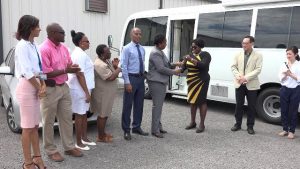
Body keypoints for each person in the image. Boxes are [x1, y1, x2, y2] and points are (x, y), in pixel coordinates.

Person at [40, 23, 83, 162]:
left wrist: (72, 67)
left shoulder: (64, 48)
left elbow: (68, 64)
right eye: (62, 32)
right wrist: (66, 70)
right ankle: (51, 150)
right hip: (50, 88)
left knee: (66, 119)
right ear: (52, 33)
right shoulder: (44, 49)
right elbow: (46, 73)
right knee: (49, 121)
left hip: (63, 87)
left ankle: (69, 147)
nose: (64, 35)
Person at [15, 15, 46, 169]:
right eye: (37, 26)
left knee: (34, 126)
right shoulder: (22, 45)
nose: (40, 28)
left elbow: (39, 69)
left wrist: (43, 84)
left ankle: (37, 158)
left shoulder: (35, 45)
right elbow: (27, 71)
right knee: (27, 127)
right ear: (30, 28)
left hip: (36, 85)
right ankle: (28, 163)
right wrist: (39, 87)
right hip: (28, 86)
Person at [147, 34, 181, 138]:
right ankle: (155, 130)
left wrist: (176, 63)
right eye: (165, 42)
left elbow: (166, 64)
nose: (166, 44)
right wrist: (175, 72)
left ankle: (158, 127)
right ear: (160, 43)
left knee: (159, 106)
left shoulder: (159, 52)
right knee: (157, 106)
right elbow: (161, 68)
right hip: (156, 82)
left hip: (160, 82)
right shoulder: (155, 53)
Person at [68, 30, 96, 150]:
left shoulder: (81, 53)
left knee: (84, 114)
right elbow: (80, 74)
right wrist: (86, 92)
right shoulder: (79, 54)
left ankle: (84, 138)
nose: (89, 43)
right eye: (87, 41)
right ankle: (78, 142)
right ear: (80, 42)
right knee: (79, 115)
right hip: (80, 89)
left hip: (84, 89)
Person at [230, 35, 263, 135]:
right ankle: (237, 124)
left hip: (251, 84)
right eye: (243, 43)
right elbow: (233, 67)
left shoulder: (258, 55)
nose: (243, 45)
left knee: (251, 107)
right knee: (238, 105)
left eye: (246, 43)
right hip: (239, 83)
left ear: (252, 44)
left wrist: (246, 77)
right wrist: (239, 77)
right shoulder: (238, 54)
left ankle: (250, 126)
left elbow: (258, 69)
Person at [121, 27, 149, 140]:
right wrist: (127, 82)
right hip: (131, 79)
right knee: (127, 105)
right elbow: (124, 66)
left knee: (139, 105)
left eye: (140, 34)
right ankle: (126, 130)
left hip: (140, 78)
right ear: (131, 35)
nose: (138, 36)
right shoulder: (127, 48)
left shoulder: (142, 49)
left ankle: (137, 127)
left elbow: (141, 63)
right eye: (136, 34)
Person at [91, 44, 121, 142]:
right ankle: (100, 136)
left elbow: (113, 72)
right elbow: (111, 77)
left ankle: (103, 133)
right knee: (102, 115)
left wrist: (115, 66)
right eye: (108, 52)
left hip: (107, 93)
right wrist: (120, 68)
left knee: (106, 113)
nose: (110, 53)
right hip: (102, 94)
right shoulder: (99, 64)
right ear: (102, 54)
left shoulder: (106, 61)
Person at [181, 38, 211, 133]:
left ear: (200, 47)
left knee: (201, 101)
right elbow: (183, 67)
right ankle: (192, 122)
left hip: (201, 80)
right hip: (191, 81)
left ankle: (202, 124)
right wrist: (173, 66)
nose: (193, 48)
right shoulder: (189, 55)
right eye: (192, 46)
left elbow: (203, 65)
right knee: (192, 101)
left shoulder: (205, 55)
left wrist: (191, 59)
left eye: (195, 47)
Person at [278, 46, 300, 139]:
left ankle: (292, 131)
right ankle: (285, 129)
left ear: (295, 54)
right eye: (287, 54)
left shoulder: (299, 65)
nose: (288, 55)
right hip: (284, 89)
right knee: (284, 110)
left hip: (295, 89)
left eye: (290, 54)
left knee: (293, 111)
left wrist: (290, 74)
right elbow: (280, 77)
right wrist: (285, 75)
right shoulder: (284, 64)